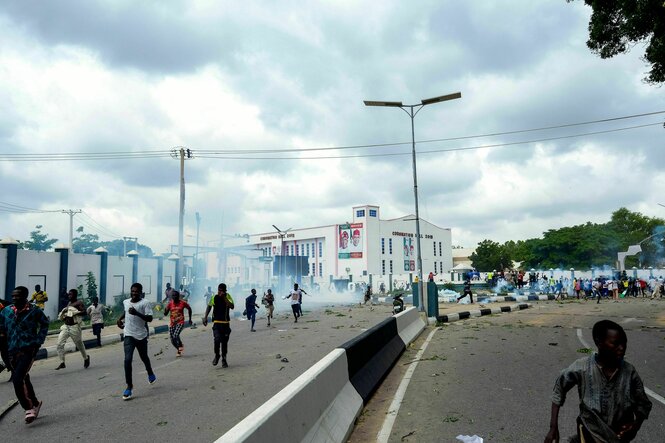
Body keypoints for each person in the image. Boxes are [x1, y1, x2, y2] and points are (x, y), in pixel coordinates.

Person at [544, 320, 652, 443]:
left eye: (624, 343)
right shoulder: (582, 367)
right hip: (589, 433)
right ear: (599, 343)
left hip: (617, 438)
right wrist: (553, 427)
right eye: (615, 344)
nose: (621, 348)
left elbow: (643, 404)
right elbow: (559, 388)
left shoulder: (629, 372)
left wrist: (635, 426)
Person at [0, 286, 49, 423]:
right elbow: (2, 330)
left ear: (25, 296)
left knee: (17, 379)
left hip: (28, 350)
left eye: (18, 296)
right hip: (12, 351)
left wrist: (38, 341)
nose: (14, 298)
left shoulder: (34, 311)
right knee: (24, 378)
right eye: (13, 296)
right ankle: (35, 402)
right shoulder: (6, 311)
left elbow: (44, 324)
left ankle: (28, 408)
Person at [117, 283, 157, 400]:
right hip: (128, 334)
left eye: (136, 291)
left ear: (141, 293)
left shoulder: (145, 303)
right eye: (132, 291)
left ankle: (150, 372)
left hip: (141, 335)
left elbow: (149, 318)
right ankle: (129, 386)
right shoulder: (126, 302)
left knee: (144, 357)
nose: (134, 293)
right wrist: (119, 319)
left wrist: (137, 313)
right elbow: (126, 311)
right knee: (127, 360)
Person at [55, 289, 90, 370]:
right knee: (59, 344)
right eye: (69, 294)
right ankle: (62, 362)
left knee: (79, 344)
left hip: (74, 327)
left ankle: (86, 358)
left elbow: (85, 312)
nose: (69, 296)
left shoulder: (79, 303)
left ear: (75, 295)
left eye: (71, 294)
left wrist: (75, 312)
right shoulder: (69, 303)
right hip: (66, 327)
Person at [203, 283, 234, 367]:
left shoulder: (228, 296)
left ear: (225, 291)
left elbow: (232, 306)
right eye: (218, 290)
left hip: (225, 324)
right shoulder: (214, 297)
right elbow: (209, 306)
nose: (219, 292)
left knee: (224, 343)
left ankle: (224, 359)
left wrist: (224, 297)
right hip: (217, 323)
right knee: (216, 340)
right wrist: (205, 317)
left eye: (221, 291)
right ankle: (217, 355)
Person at [163, 290, 192, 357]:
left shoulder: (183, 303)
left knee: (175, 335)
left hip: (180, 322)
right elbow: (165, 313)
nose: (174, 297)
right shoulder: (170, 303)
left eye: (176, 295)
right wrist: (164, 311)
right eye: (173, 295)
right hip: (172, 323)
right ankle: (179, 349)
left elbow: (189, 309)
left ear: (178, 296)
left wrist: (190, 319)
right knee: (172, 340)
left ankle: (180, 346)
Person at [0, 300, 13, 377]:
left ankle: (12, 370)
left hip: (4, 335)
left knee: (5, 354)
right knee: (4, 354)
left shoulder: (3, 308)